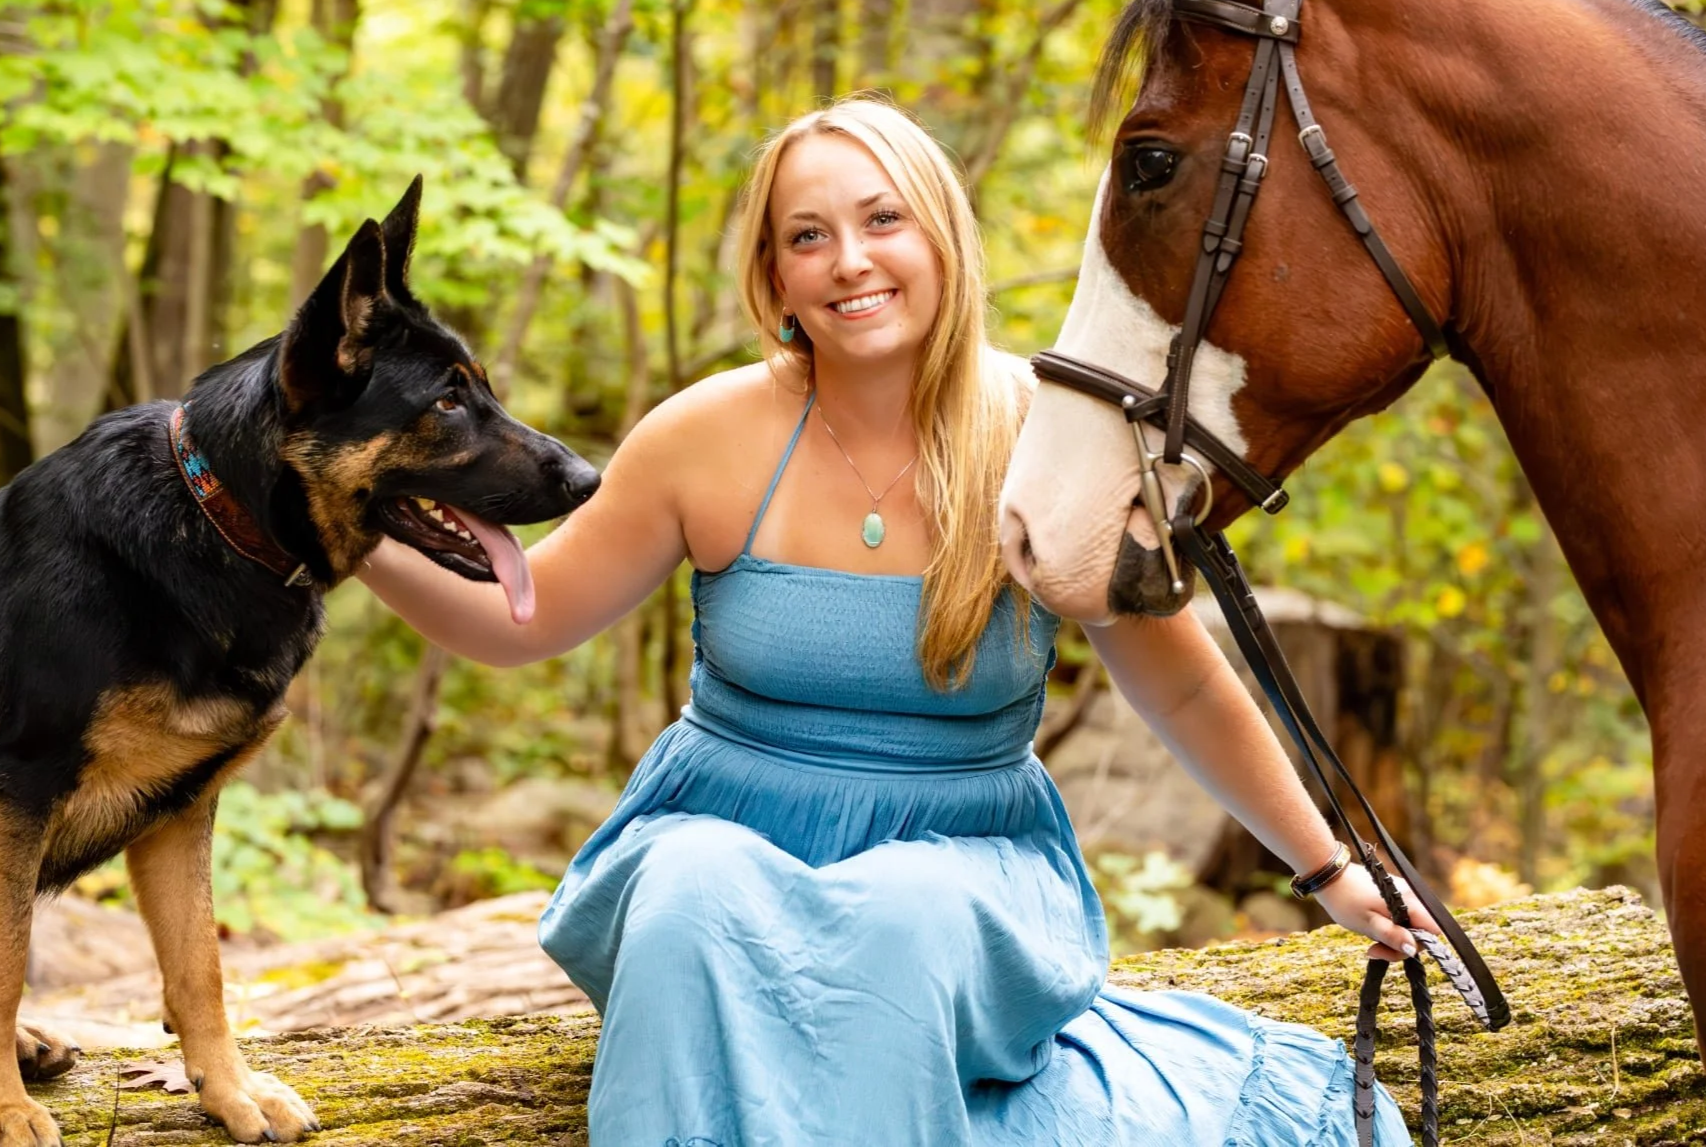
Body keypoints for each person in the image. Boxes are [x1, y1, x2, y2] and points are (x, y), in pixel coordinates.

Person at [361, 97, 1420, 1145]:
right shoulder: (702, 435)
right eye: (806, 236)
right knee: (689, 892)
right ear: (774, 275)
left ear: (940, 236)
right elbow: (522, 619)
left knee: (899, 916)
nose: (847, 261)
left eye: (881, 221)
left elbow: (1179, 681)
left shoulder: (1044, 438)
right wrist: (339, 533)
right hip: (725, 830)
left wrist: (1325, 866)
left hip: (960, 861)